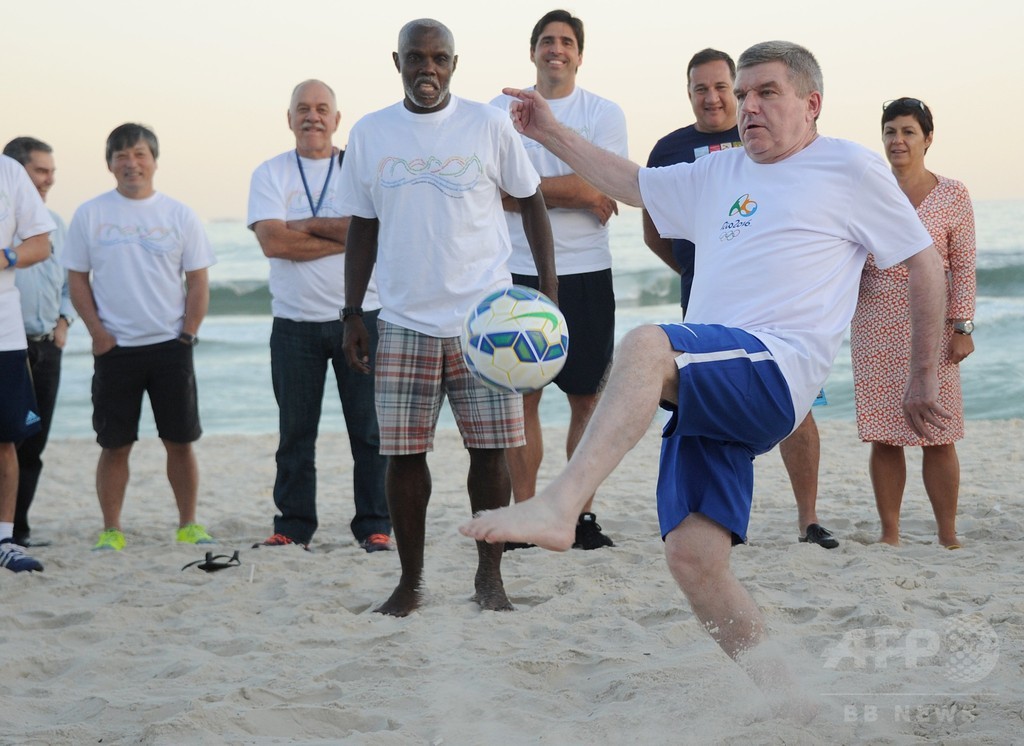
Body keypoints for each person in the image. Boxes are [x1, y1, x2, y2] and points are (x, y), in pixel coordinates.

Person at [460, 41, 948, 706]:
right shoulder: (720, 169)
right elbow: (633, 184)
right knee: (693, 558)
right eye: (743, 94)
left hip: (773, 366)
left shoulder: (849, 167)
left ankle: (561, 505)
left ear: (812, 103)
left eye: (766, 92)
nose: (748, 106)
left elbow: (923, 262)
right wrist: (548, 131)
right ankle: (792, 700)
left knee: (646, 343)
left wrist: (923, 375)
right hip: (712, 373)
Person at [339, 18, 556, 616]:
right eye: (416, 57)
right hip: (403, 318)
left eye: (439, 58)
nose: (427, 69)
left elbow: (531, 200)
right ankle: (410, 582)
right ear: (398, 62)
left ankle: (490, 578)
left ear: (454, 65)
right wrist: (353, 312)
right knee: (404, 457)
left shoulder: (487, 124)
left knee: (490, 454)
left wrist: (547, 291)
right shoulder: (371, 132)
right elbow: (362, 225)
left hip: (485, 320)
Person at [643, 48, 835, 549]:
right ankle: (709, 526)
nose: (712, 97)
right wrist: (699, 267)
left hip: (779, 319)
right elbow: (653, 228)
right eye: (700, 89)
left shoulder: (764, 137)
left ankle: (809, 518)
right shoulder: (670, 148)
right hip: (705, 305)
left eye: (720, 87)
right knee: (701, 404)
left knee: (798, 406)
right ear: (689, 94)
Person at [492, 9, 625, 550]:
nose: (556, 49)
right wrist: (578, 189)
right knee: (522, 399)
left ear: (579, 55)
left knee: (586, 400)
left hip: (587, 270)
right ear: (532, 51)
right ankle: (526, 515)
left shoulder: (603, 113)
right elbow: (496, 190)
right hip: (517, 269)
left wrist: (529, 189)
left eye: (567, 42)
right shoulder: (500, 111)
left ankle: (578, 516)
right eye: (547, 40)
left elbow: (603, 184)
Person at [247, 80, 392, 553]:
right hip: (294, 324)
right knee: (295, 433)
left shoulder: (358, 169)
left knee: (369, 431)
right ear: (289, 118)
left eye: (322, 108)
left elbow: (380, 230)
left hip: (363, 318)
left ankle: (375, 526)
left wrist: (307, 225)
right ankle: (293, 528)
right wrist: (349, 237)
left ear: (336, 119)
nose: (313, 116)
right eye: (303, 109)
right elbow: (274, 242)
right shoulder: (270, 173)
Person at [63, 123, 217, 551]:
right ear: (110, 164)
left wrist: (188, 334)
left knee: (180, 442)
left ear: (154, 160)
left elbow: (198, 280)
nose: (131, 163)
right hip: (116, 349)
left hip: (170, 347)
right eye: (122, 156)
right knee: (115, 445)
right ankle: (111, 529)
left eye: (139, 154)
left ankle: (188, 523)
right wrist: (98, 334)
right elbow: (76, 279)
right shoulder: (90, 214)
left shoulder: (178, 214)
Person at [851, 97, 976, 548]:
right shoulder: (867, 192)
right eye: (890, 131)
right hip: (874, 324)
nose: (897, 140)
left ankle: (947, 534)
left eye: (908, 131)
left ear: (928, 139)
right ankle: (890, 534)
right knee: (884, 436)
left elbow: (963, 264)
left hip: (934, 328)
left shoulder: (953, 194)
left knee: (939, 433)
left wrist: (962, 327)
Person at [3, 137, 75, 548]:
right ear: (15, 172)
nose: (49, 180)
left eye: (52, 172)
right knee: (6, 441)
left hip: (46, 348)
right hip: (7, 347)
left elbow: (70, 283)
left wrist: (64, 323)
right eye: (41, 171)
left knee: (33, 443)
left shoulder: (55, 225)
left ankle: (19, 531)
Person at [0, 154, 54, 572]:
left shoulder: (9, 172)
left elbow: (40, 244)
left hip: (4, 334)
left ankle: (5, 540)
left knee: (6, 440)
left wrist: (6, 256)